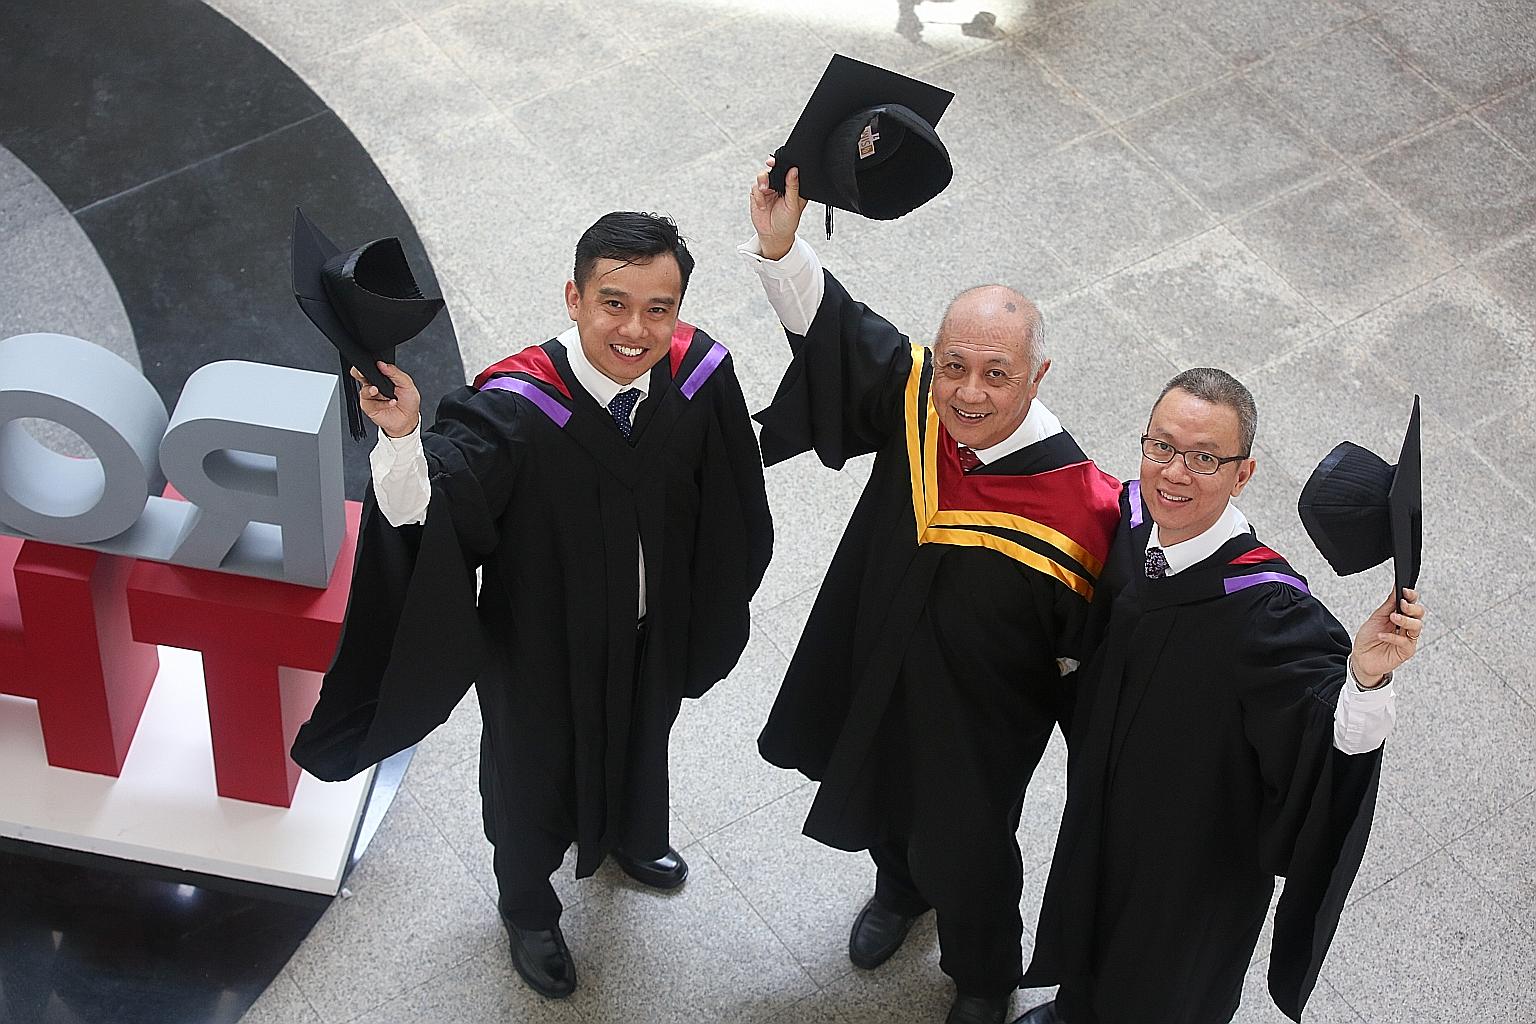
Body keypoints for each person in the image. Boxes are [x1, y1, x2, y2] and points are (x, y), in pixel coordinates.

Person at [290, 212, 773, 998]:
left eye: (660, 308)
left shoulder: (699, 375)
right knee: (530, 781)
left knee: (643, 740)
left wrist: (709, 610)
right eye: (613, 303)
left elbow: (730, 502)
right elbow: (430, 511)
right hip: (543, 650)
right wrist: (403, 438)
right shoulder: (514, 406)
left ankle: (628, 836)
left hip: (655, 634)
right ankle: (527, 908)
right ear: (574, 299)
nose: (635, 329)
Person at [743, 163, 1122, 1024]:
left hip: (980, 724)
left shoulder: (1085, 511)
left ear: (1039, 373)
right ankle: (898, 889)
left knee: (971, 854)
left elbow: (1098, 658)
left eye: (996, 373)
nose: (968, 392)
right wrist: (779, 243)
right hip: (877, 664)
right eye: (955, 365)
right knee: (877, 786)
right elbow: (841, 334)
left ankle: (985, 976)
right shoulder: (921, 400)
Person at [1015, 369, 1425, 1024]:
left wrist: (1367, 677)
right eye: (1162, 447)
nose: (1175, 473)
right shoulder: (1128, 526)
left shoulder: (1268, 607)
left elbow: (1328, 736)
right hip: (1106, 800)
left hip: (1196, 854)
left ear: (1243, 473)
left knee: (1159, 983)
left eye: (1205, 458)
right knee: (1087, 916)